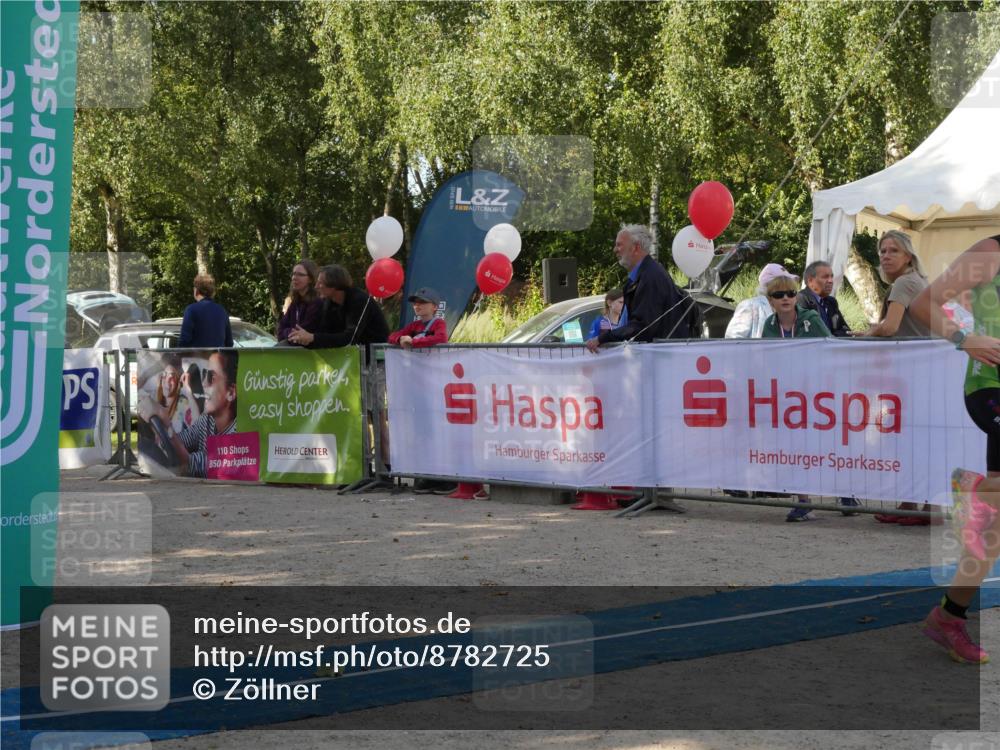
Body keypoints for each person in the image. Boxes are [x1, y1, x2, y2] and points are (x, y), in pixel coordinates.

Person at [909, 234, 1000, 664]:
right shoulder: (991, 253)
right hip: (990, 388)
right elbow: (923, 303)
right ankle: (974, 492)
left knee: (995, 532)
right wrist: (965, 338)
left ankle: (949, 616)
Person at [861, 231, 933, 524]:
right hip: (921, 374)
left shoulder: (905, 283)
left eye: (893, 250)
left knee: (912, 441)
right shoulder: (919, 282)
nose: (885, 255)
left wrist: (867, 333)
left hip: (912, 376)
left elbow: (890, 327)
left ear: (908, 256)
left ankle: (918, 506)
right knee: (918, 441)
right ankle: (912, 504)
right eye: (882, 251)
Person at [760, 271, 831, 521]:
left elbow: (830, 346)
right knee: (794, 447)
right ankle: (803, 501)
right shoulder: (769, 325)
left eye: (790, 293)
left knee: (825, 444)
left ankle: (846, 493)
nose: (786, 298)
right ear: (770, 300)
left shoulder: (811, 318)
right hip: (787, 396)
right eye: (779, 295)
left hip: (816, 393)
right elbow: (764, 358)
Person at [585, 224, 692, 354]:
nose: (615, 250)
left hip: (659, 360)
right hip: (653, 358)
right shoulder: (643, 275)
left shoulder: (650, 277)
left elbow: (642, 326)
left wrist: (603, 338)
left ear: (635, 248)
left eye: (619, 245)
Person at [155, 350, 238, 478]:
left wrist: (165, 421)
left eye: (212, 377)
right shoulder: (207, 419)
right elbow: (183, 440)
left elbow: (190, 464)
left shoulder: (238, 432)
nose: (204, 383)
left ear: (231, 393)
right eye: (204, 374)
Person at [288, 265, 390, 353]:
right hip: (352, 359)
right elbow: (326, 332)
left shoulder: (359, 300)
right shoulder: (330, 302)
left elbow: (349, 338)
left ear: (334, 286)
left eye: (320, 283)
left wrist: (313, 338)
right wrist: (306, 340)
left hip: (376, 360)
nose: (316, 287)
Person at [725, 263, 796, 339]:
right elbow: (732, 339)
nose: (785, 297)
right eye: (779, 291)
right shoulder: (749, 306)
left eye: (790, 292)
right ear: (767, 286)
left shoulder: (788, 309)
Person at [797, 260, 851, 337]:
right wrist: (833, 337)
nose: (830, 281)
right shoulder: (801, 299)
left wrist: (833, 337)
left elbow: (845, 330)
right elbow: (808, 332)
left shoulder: (831, 302)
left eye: (831, 276)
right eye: (825, 277)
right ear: (810, 281)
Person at [179, 274, 233, 348]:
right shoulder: (222, 311)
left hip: (196, 358)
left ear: (196, 291)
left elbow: (184, 341)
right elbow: (229, 343)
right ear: (212, 292)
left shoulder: (191, 310)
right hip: (217, 358)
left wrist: (178, 355)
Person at [277, 260, 322, 344]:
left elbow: (302, 334)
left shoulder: (317, 302)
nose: (294, 278)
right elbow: (280, 331)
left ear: (311, 279)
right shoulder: (295, 302)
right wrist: (289, 332)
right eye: (293, 274)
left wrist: (287, 332)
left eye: (300, 275)